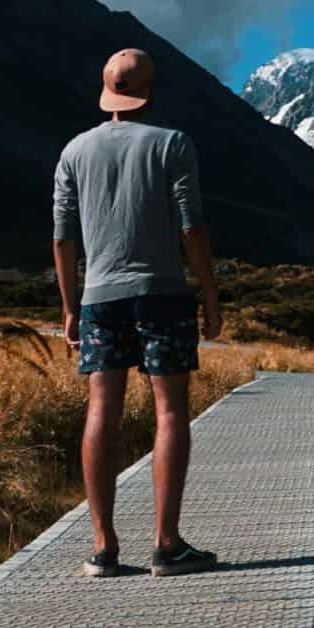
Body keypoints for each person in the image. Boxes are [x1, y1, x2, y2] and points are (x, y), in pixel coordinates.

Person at [52, 47, 225, 576]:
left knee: (101, 410)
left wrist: (68, 308)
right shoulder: (173, 144)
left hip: (98, 298)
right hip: (163, 293)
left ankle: (104, 547)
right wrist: (210, 293)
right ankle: (167, 544)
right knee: (169, 410)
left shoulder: (74, 151)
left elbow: (62, 238)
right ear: (151, 90)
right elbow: (191, 227)